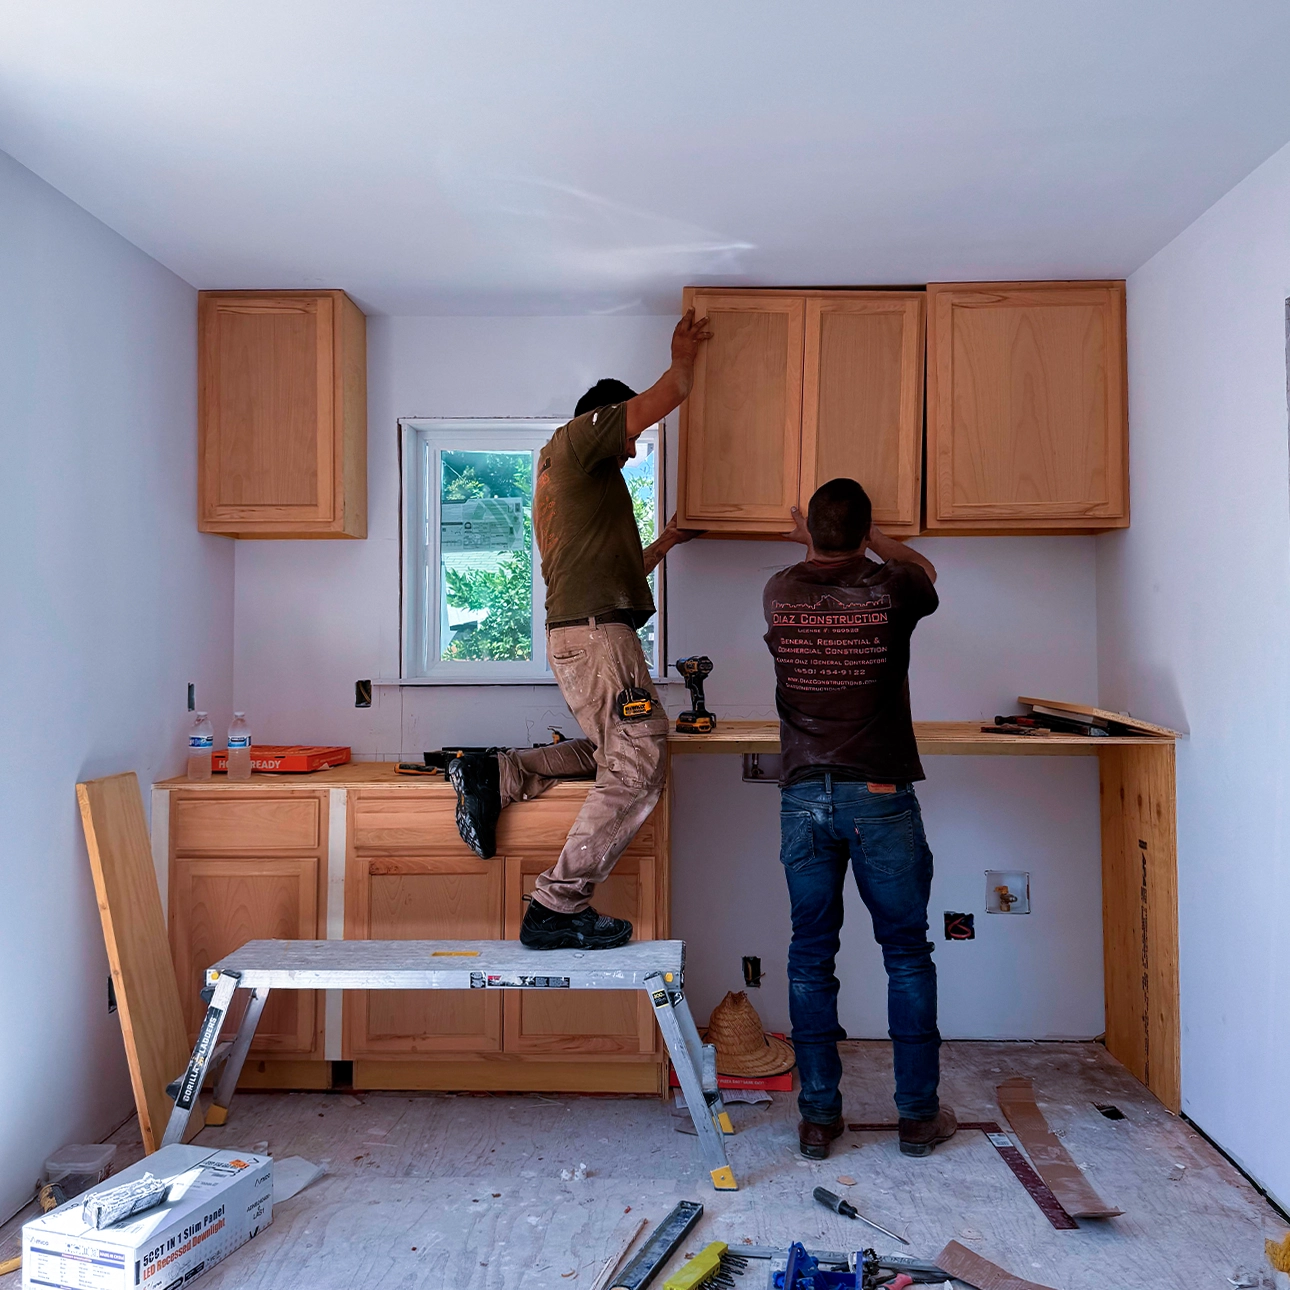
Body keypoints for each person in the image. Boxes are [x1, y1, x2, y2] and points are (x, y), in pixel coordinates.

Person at [448, 309, 711, 951]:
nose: (632, 447)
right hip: (599, 639)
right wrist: (681, 363)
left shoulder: (578, 485)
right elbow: (663, 398)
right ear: (605, 419)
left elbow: (613, 569)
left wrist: (668, 540)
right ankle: (556, 907)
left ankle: (501, 775)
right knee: (641, 763)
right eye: (627, 437)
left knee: (614, 751)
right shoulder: (577, 439)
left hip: (586, 633)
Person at [763, 478, 956, 1160]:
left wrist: (814, 545)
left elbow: (820, 562)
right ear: (867, 531)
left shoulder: (780, 591)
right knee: (905, 953)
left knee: (810, 957)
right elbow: (924, 570)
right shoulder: (892, 589)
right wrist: (868, 540)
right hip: (879, 795)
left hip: (804, 795)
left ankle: (818, 1121)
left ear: (808, 530)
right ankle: (916, 1119)